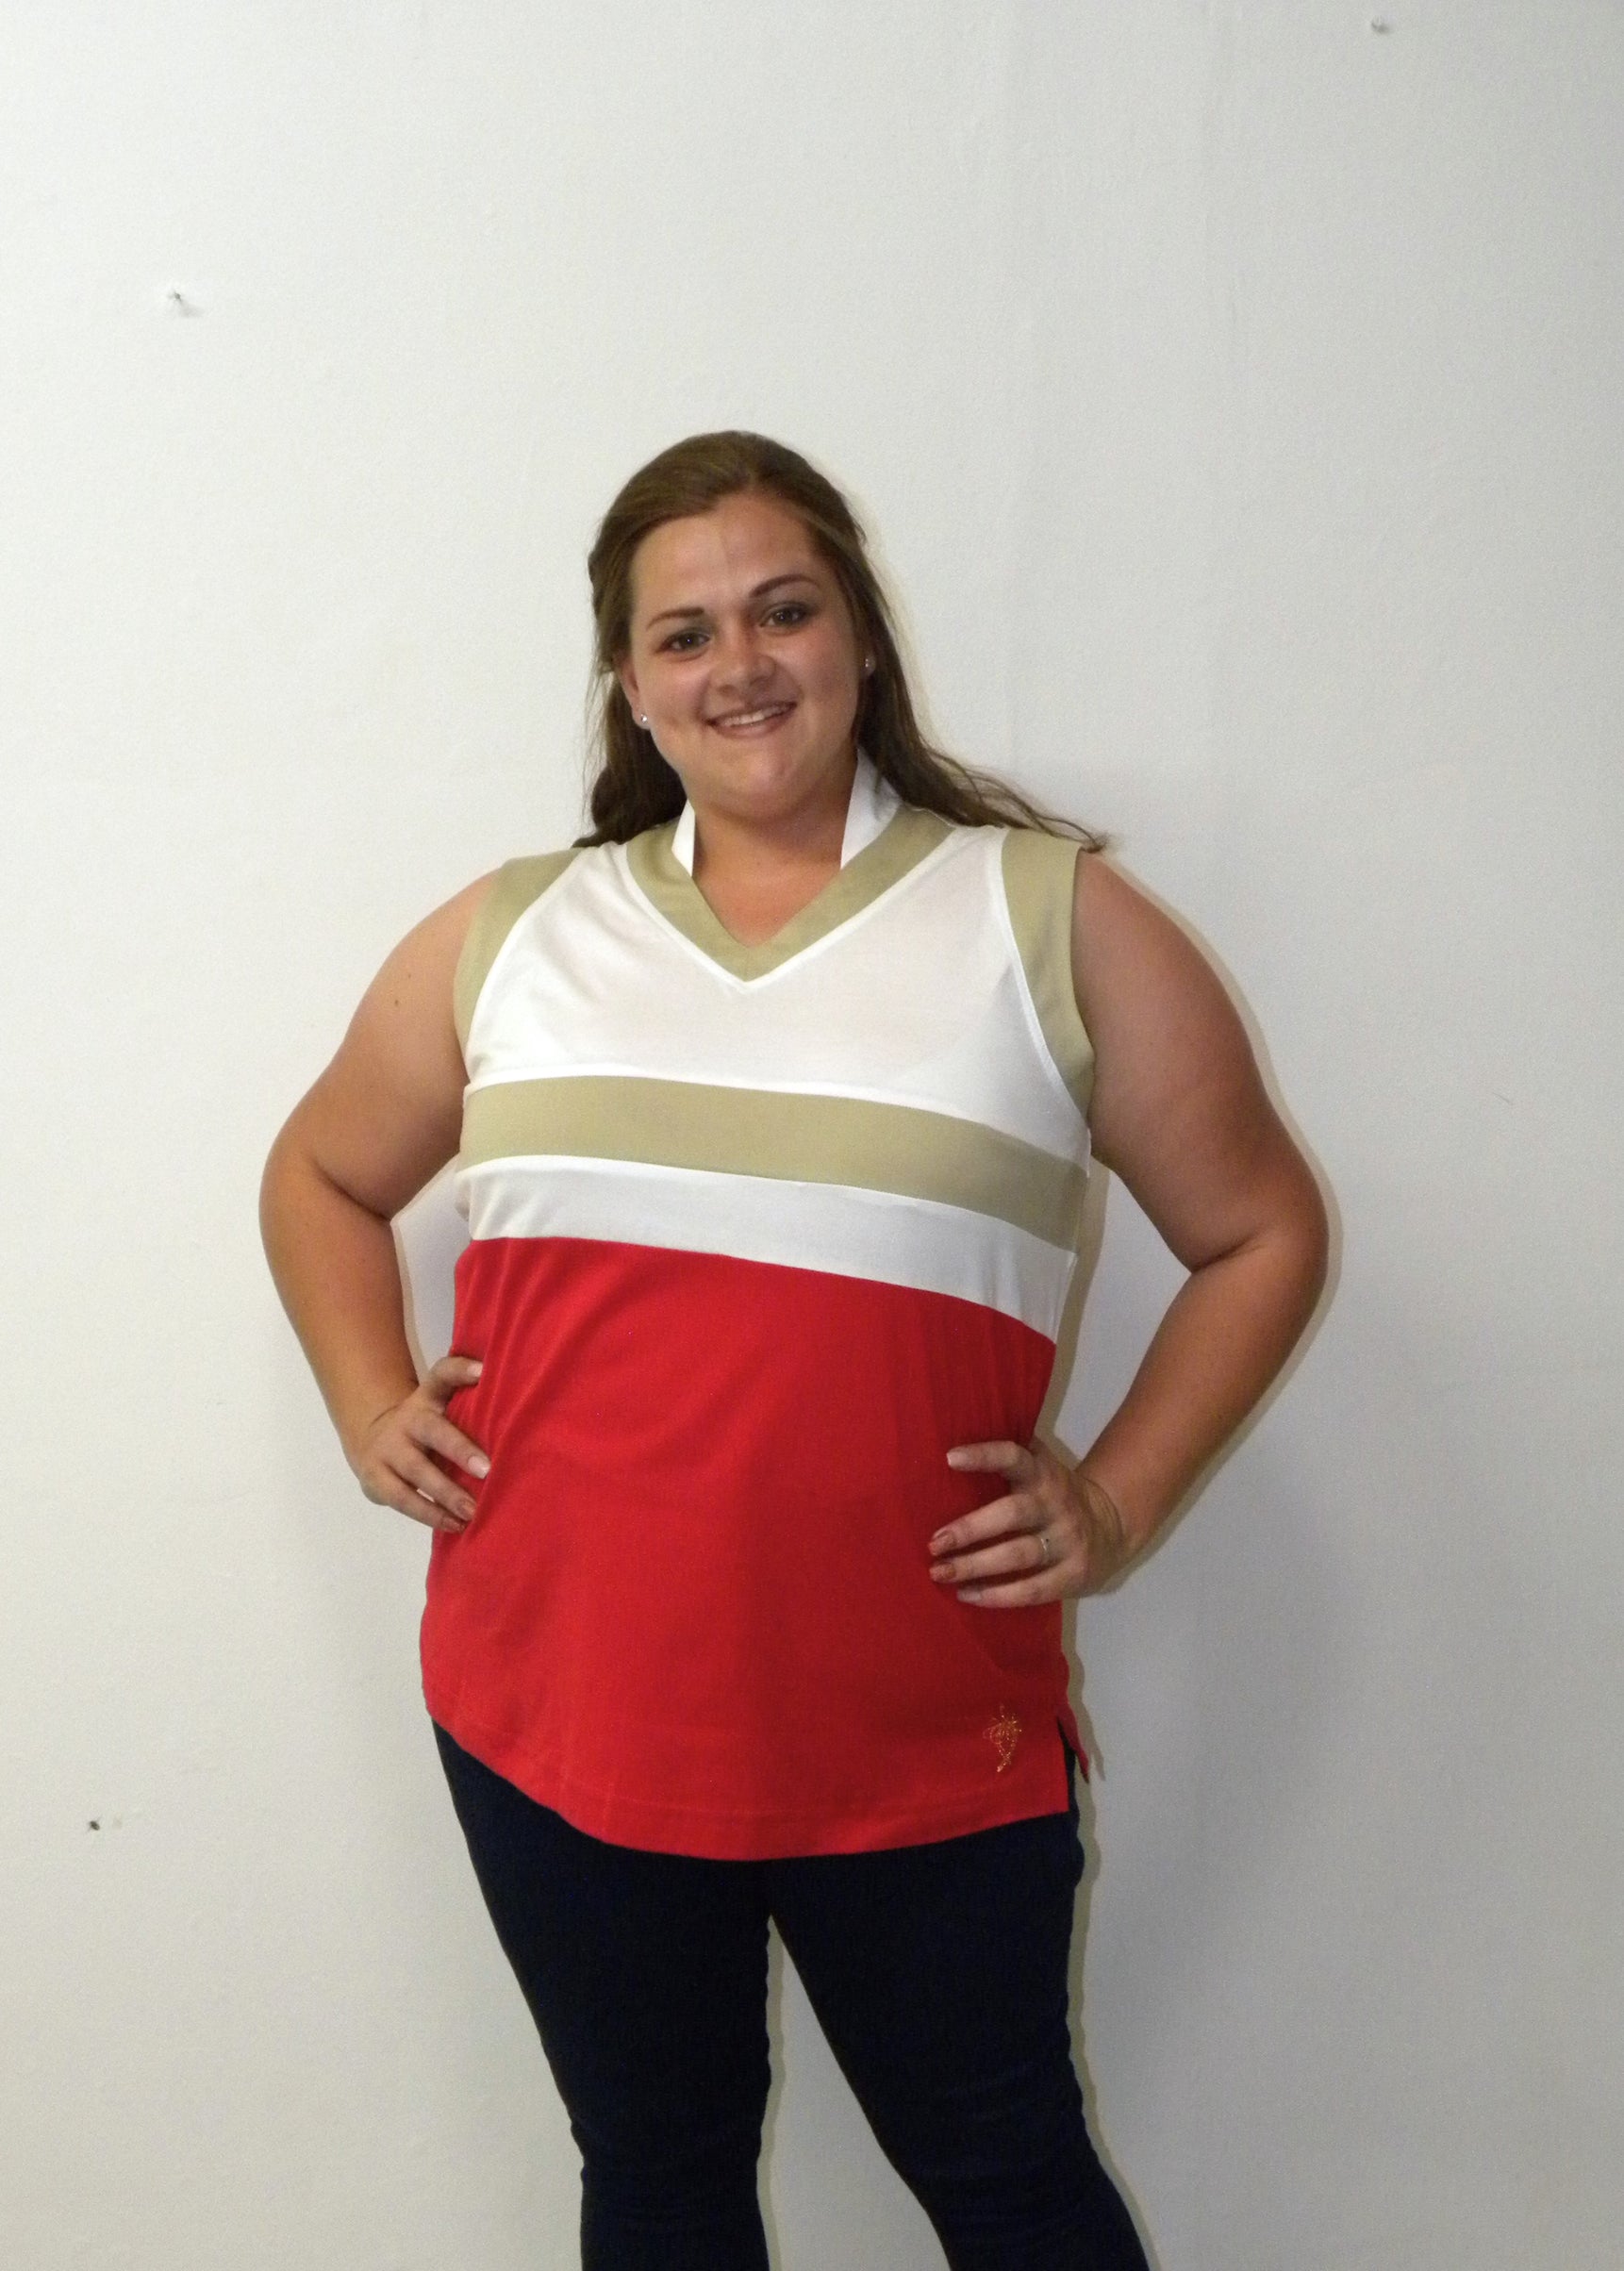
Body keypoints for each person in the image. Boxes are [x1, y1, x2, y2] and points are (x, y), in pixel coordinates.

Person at [259, 431, 1329, 2269]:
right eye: (683, 634)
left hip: (915, 1721)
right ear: (629, 684)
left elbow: (1259, 1232)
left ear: (860, 637)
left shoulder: (1044, 916)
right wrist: (369, 1400)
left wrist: (1119, 1495)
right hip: (555, 1710)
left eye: (783, 610)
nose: (738, 664)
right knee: (657, 2186)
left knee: (1010, 2191)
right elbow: (320, 1176)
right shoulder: (518, 932)